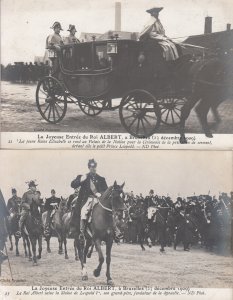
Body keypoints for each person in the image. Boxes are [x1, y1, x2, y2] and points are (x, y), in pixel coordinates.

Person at [71, 159, 122, 242]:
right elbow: (73, 185)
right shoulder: (84, 177)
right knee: (84, 212)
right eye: (91, 167)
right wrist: (80, 180)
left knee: (108, 212)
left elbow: (105, 191)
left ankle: (116, 230)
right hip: (87, 199)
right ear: (89, 167)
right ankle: (82, 233)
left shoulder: (101, 179)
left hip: (98, 199)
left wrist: (99, 193)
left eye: (94, 167)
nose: (93, 168)